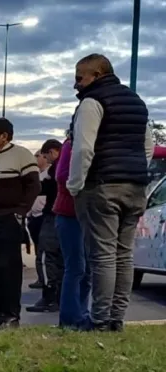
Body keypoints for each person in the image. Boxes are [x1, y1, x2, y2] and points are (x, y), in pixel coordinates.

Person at [67, 53, 155, 332]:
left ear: (97, 74)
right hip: (135, 186)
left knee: (103, 254)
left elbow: (83, 148)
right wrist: (134, 171)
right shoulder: (136, 102)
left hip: (102, 185)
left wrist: (75, 184)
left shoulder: (92, 102)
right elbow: (148, 146)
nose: (76, 84)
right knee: (124, 254)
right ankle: (117, 318)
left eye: (79, 77)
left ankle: (100, 319)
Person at [0, 118, 41, 331]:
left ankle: (11, 317)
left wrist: (19, 212)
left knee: (7, 269)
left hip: (6, 220)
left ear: (4, 136)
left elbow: (33, 186)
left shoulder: (21, 155)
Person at [53, 132, 92, 330]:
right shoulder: (71, 144)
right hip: (69, 213)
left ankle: (80, 314)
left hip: (86, 215)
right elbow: (61, 176)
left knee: (87, 270)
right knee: (76, 267)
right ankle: (70, 319)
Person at [27, 139, 64, 313]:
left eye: (45, 155)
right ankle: (61, 297)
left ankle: (49, 297)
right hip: (67, 217)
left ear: (53, 151)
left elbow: (49, 188)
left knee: (46, 254)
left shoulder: (57, 167)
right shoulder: (69, 164)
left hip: (53, 215)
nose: (46, 159)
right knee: (63, 259)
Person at [26, 150, 49, 289]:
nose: (35, 158)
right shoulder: (37, 175)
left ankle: (45, 280)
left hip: (42, 216)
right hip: (33, 217)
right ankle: (41, 277)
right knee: (38, 249)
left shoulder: (48, 175)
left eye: (37, 156)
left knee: (44, 249)